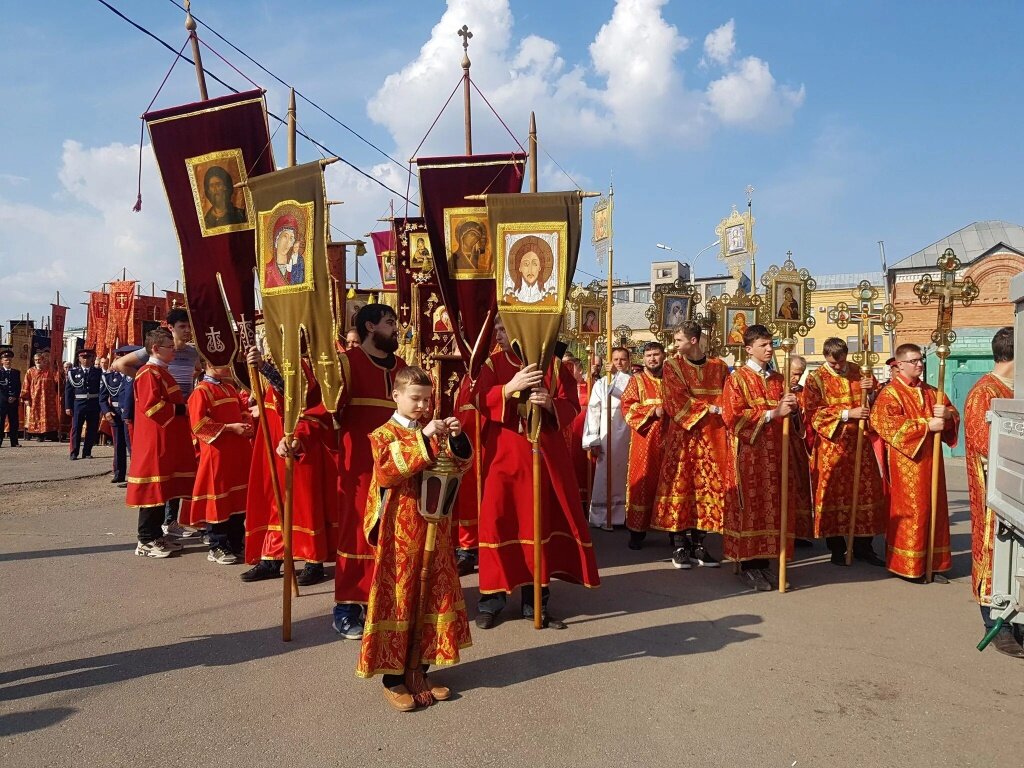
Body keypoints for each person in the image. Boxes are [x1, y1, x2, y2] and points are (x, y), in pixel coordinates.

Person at [356, 366, 473, 711]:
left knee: (432, 594)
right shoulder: (382, 433)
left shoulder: (430, 430)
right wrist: (426, 438)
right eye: (415, 398)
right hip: (399, 531)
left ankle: (420, 670)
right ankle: (394, 679)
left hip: (434, 531)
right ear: (396, 395)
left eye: (427, 399)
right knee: (401, 595)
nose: (423, 405)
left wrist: (454, 438)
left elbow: (458, 465)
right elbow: (388, 470)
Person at [473, 317, 600, 630]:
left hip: (542, 460)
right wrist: (507, 390)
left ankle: (535, 603)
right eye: (497, 329)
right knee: (497, 525)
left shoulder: (554, 366)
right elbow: (474, 399)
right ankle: (492, 600)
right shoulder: (492, 363)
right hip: (503, 461)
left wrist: (550, 404)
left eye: (504, 329)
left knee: (537, 527)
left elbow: (571, 404)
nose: (499, 335)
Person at [333, 304, 408, 639]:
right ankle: (347, 607)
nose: (396, 329)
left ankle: (382, 603)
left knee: (392, 535)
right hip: (360, 469)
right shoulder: (346, 364)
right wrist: (296, 437)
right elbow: (320, 409)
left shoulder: (403, 368)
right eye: (390, 323)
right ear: (369, 326)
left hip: (399, 467)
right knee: (357, 534)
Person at [721, 325, 813, 591]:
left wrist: (793, 411)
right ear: (749, 348)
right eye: (763, 345)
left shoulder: (778, 379)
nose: (769, 348)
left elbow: (793, 417)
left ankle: (764, 564)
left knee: (773, 507)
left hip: (777, 452)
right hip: (750, 455)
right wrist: (773, 413)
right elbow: (733, 416)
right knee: (753, 507)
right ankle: (749, 566)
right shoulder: (737, 378)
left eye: (771, 344)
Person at [241, 348, 338, 585]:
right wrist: (253, 365)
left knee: (304, 502)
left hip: (299, 437)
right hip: (272, 436)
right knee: (274, 499)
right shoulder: (275, 359)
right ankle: (271, 558)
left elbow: (296, 394)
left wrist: (264, 367)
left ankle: (313, 561)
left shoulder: (311, 363)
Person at [870, 343, 959, 581]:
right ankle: (909, 564)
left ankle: (933, 562)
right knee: (913, 509)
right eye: (913, 361)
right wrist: (926, 425)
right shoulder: (890, 393)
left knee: (935, 507)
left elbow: (952, 411)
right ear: (899, 365)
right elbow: (885, 424)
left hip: (933, 461)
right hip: (907, 462)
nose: (919, 364)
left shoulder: (931, 391)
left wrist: (948, 415)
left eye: (920, 360)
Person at [113, 309, 201, 539]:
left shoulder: (191, 353)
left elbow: (199, 371)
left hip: (181, 417)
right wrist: (148, 380)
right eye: (182, 326)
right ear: (170, 328)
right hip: (163, 421)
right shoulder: (151, 365)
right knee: (157, 476)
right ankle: (150, 535)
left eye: (189, 326)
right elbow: (121, 365)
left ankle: (170, 522)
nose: (187, 330)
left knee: (174, 471)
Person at [963, 327, 1021, 657]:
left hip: (1018, 486)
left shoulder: (1017, 387)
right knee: (995, 551)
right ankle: (994, 621)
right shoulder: (983, 391)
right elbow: (982, 442)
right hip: (993, 490)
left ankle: (1019, 616)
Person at [803, 338, 887, 566]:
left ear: (846, 355)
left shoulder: (860, 372)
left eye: (840, 362)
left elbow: (878, 402)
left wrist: (870, 394)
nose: (838, 367)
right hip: (833, 447)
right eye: (833, 362)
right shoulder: (816, 378)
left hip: (860, 443)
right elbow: (813, 413)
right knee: (833, 496)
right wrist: (848, 414)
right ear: (825, 357)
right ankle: (837, 548)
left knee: (865, 493)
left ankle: (863, 547)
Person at [653, 322, 729, 568]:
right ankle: (679, 545)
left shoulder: (719, 367)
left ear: (693, 341)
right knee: (681, 486)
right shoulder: (672, 366)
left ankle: (699, 544)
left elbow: (729, 396)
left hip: (713, 437)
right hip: (683, 438)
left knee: (706, 489)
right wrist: (710, 408)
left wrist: (723, 409)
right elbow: (675, 401)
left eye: (678, 340)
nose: (674, 345)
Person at [125, 328, 197, 558]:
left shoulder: (162, 372)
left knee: (162, 489)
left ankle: (156, 535)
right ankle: (145, 540)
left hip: (166, 438)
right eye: (169, 346)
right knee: (152, 489)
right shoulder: (148, 373)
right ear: (156, 348)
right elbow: (151, 406)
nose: (174, 350)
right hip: (154, 439)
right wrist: (182, 409)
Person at [184, 360, 254, 565]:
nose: (227, 366)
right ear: (207, 364)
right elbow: (199, 426)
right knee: (218, 499)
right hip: (217, 453)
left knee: (237, 498)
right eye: (222, 362)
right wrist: (231, 428)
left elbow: (243, 411)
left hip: (238, 451)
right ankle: (217, 546)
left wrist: (247, 424)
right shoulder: (201, 391)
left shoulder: (230, 388)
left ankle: (235, 542)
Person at [620, 342, 668, 550]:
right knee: (643, 482)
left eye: (656, 355)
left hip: (670, 439)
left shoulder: (672, 380)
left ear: (663, 355)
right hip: (644, 441)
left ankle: (672, 531)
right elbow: (627, 407)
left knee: (669, 483)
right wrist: (652, 412)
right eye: (648, 355)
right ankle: (637, 532)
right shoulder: (636, 381)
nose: (652, 359)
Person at [582, 348, 632, 528]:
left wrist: (617, 376)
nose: (619, 362)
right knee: (605, 475)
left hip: (628, 432)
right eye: (615, 359)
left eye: (623, 359)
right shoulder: (601, 384)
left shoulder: (633, 381)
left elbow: (628, 394)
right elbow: (593, 411)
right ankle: (603, 516)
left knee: (627, 475)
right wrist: (593, 439)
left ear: (629, 361)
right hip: (606, 434)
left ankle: (627, 515)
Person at [99, 348, 132, 484]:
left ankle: (134, 475)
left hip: (130, 414)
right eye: (117, 359)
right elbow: (102, 397)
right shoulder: (109, 377)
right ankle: (119, 473)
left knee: (132, 445)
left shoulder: (133, 376)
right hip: (115, 413)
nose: (119, 362)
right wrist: (106, 411)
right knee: (118, 444)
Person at [65, 349, 102, 459]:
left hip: (93, 403)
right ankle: (74, 452)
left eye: (88, 357)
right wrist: (68, 406)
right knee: (76, 428)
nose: (86, 360)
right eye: (83, 357)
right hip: (78, 403)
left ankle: (87, 452)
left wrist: (101, 407)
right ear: (79, 359)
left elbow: (101, 390)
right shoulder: (73, 373)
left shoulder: (98, 372)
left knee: (92, 428)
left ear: (92, 359)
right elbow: (68, 391)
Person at [21, 352, 60, 441]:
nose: (38, 361)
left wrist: (59, 372)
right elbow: (26, 385)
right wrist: (26, 398)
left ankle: (50, 434)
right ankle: (38, 434)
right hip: (36, 399)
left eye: (39, 359)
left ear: (43, 360)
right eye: (36, 360)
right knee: (36, 416)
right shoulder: (30, 371)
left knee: (49, 416)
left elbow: (58, 382)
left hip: (48, 400)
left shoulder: (50, 371)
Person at [507, 235, 555, 304]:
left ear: (540, 267)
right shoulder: (514, 294)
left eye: (535, 264)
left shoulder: (545, 294)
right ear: (519, 267)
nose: (530, 270)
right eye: (526, 264)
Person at [264, 214, 306, 288]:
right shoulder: (267, 270)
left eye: (291, 238)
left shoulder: (296, 269)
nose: (287, 242)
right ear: (276, 239)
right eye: (285, 236)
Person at [0, 351, 21, 447]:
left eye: (9, 360)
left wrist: (14, 396)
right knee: (1, 421)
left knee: (14, 422)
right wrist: (6, 398)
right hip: (2, 402)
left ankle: (14, 442)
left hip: (13, 401)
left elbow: (18, 386)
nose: (8, 361)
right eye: (6, 360)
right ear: (2, 361)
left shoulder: (16, 372)